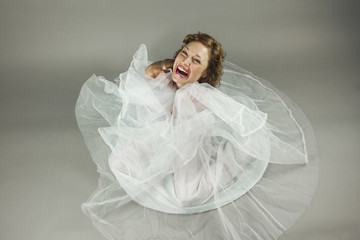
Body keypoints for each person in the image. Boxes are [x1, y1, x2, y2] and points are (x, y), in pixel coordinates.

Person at [76, 32, 319, 240]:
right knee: (118, 162)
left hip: (186, 146)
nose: (186, 62)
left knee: (186, 196)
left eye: (196, 61)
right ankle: (158, 166)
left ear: (204, 74)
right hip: (160, 136)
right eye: (184, 54)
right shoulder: (166, 74)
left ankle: (226, 159)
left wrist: (246, 135)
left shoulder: (199, 96)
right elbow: (144, 77)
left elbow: (236, 116)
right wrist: (165, 67)